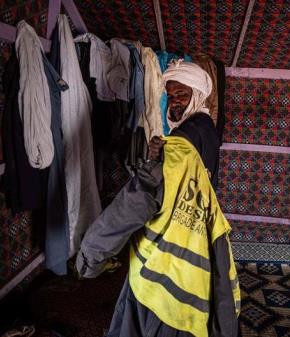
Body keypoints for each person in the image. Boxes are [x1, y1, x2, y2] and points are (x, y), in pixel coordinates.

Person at [75, 60, 241, 337]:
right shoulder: (208, 134)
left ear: (198, 95)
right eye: (171, 96)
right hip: (194, 260)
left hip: (161, 267)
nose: (174, 103)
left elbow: (136, 201)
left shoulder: (177, 146)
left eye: (182, 95)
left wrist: (91, 254)